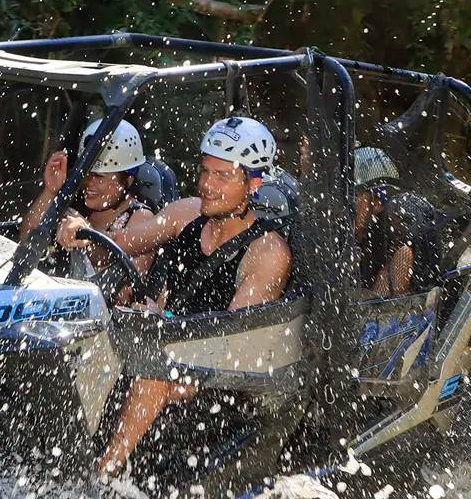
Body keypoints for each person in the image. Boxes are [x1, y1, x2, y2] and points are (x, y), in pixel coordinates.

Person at [59, 115, 292, 478]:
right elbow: (118, 244)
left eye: (222, 176)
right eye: (205, 171)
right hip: (164, 351)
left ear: (253, 184)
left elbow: (230, 345)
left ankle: (104, 476)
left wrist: (165, 331)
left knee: (158, 367)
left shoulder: (268, 253)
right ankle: (60, 453)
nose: (207, 185)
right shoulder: (186, 213)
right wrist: (81, 228)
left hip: (215, 382)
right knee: (91, 336)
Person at [20, 117, 153, 273]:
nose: (88, 182)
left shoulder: (140, 217)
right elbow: (26, 242)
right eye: (86, 173)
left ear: (128, 180)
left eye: (99, 176)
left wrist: (87, 235)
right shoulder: (75, 206)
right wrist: (50, 191)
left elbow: (126, 285)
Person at [354, 146, 441, 296]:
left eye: (355, 196)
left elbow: (375, 307)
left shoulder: (399, 251)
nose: (344, 207)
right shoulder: (343, 238)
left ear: (377, 202)